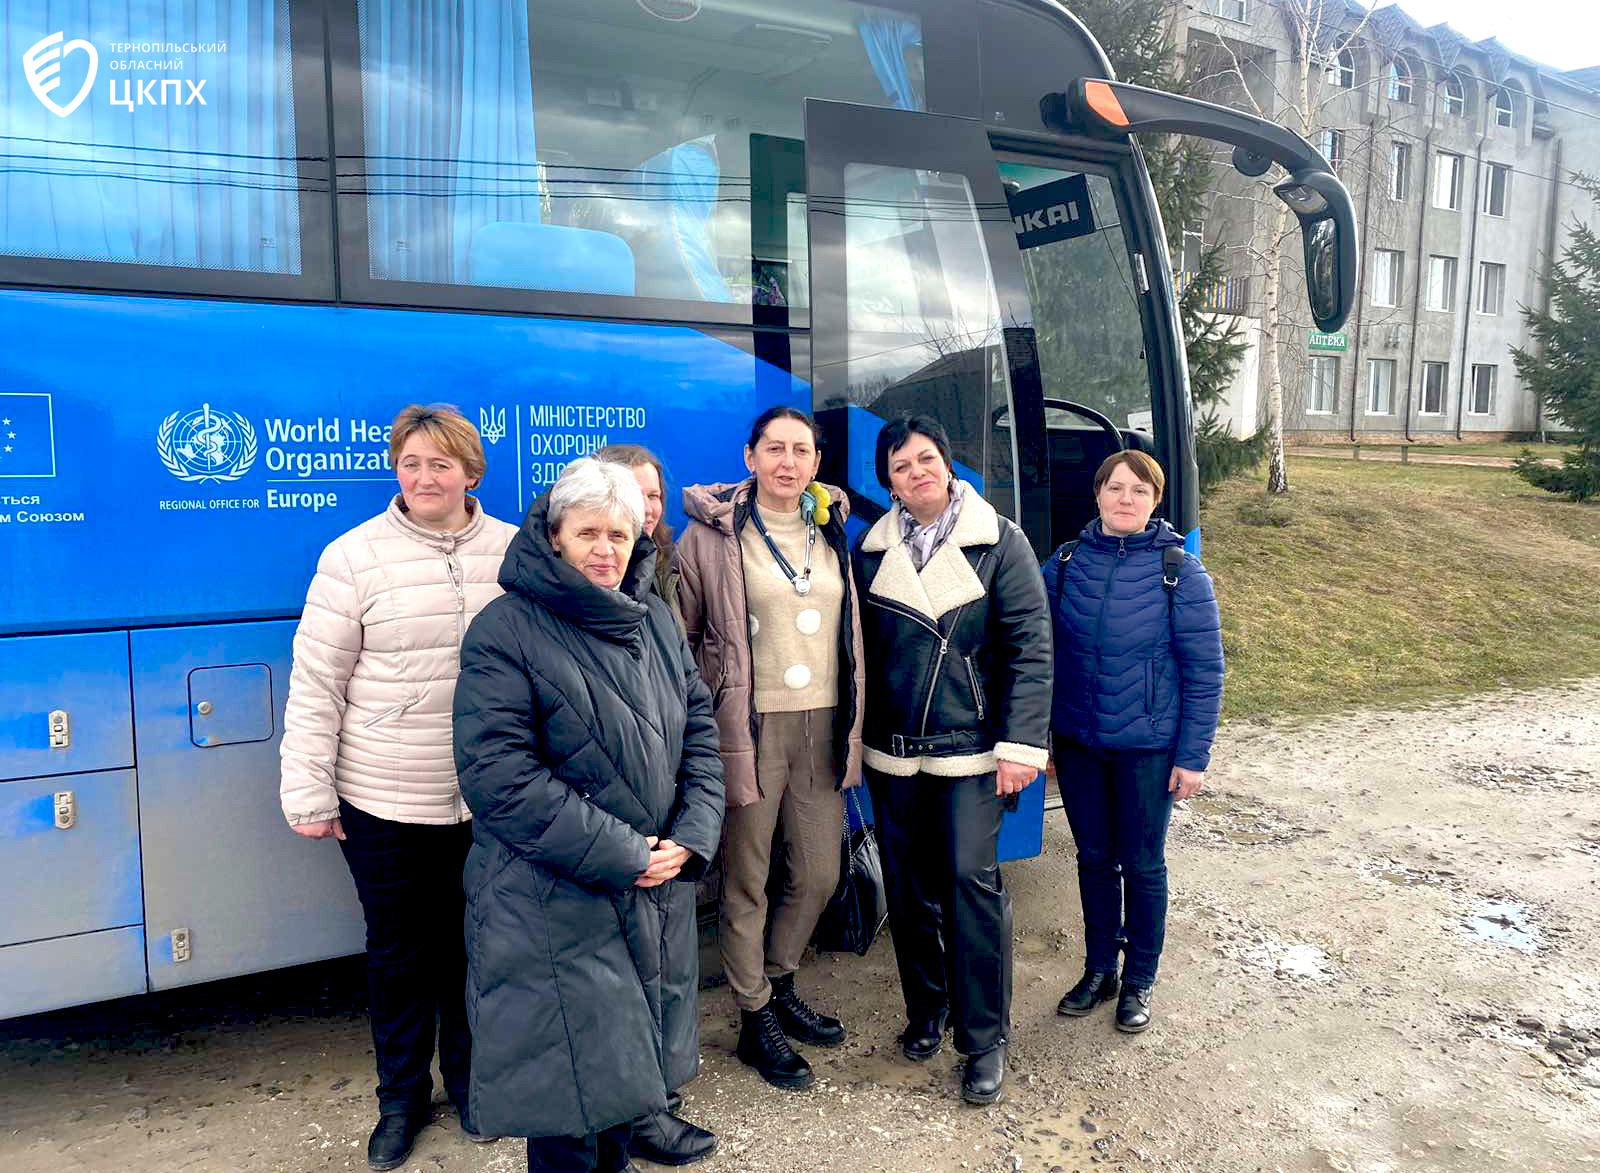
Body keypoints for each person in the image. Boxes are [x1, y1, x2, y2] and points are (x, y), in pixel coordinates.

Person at [452, 457, 725, 1173]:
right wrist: (628, 851)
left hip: (651, 892)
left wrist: (691, 835)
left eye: (619, 534)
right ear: (555, 535)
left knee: (626, 1090)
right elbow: (500, 777)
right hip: (552, 905)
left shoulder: (655, 621)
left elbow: (700, 727)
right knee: (569, 1113)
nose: (605, 549)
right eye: (588, 533)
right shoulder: (505, 629)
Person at [279, 404, 516, 1170]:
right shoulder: (353, 557)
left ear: (470, 473)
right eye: (411, 462)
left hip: (487, 796)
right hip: (384, 797)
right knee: (400, 953)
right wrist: (309, 792)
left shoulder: (514, 552)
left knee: (479, 949)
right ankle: (402, 1099)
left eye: (440, 464)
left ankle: (477, 1082)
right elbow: (317, 683)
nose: (423, 477)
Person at [852, 415, 1051, 1106]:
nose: (917, 471)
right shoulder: (870, 553)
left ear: (948, 462)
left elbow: (1031, 647)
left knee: (972, 889)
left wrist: (1021, 747)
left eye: (927, 457)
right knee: (909, 892)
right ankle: (927, 1009)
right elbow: (861, 658)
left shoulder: (1002, 542)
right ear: (889, 483)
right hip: (895, 752)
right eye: (901, 465)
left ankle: (983, 1037)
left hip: (972, 753)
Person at [676, 406, 865, 1092]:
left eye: (803, 451)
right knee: (745, 877)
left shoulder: (834, 527)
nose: (789, 462)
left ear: (817, 462)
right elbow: (682, 638)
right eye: (775, 448)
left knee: (818, 872)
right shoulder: (709, 535)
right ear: (750, 456)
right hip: (747, 728)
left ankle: (780, 980)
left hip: (824, 723)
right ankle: (755, 1015)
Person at [1042, 450, 1223, 1034]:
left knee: (1142, 865)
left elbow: (1204, 671)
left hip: (1148, 749)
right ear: (1097, 495)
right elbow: (1036, 656)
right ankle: (1099, 970)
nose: (1126, 499)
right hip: (1078, 743)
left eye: (1138, 491)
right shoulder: (1065, 565)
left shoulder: (1180, 572)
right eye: (1115, 487)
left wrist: (1193, 758)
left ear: (1155, 501)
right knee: (1093, 860)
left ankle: (1139, 979)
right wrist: (1035, 739)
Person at [595, 443, 715, 1166]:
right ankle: (636, 1111)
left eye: (653, 499)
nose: (643, 512)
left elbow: (693, 712)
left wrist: (691, 827)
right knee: (622, 979)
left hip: (669, 813)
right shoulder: (535, 616)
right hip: (614, 831)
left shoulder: (661, 586)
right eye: (628, 497)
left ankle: (657, 1100)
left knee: (669, 970)